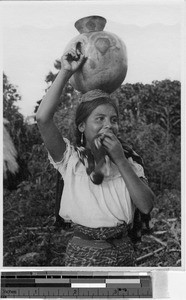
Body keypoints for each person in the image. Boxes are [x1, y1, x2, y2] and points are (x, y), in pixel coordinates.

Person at [36, 44, 155, 266]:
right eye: (99, 119)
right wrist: (66, 71)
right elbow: (43, 119)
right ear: (82, 126)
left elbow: (146, 205)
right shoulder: (71, 159)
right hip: (83, 255)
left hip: (123, 253)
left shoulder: (129, 160)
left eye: (114, 120)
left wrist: (120, 160)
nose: (108, 126)